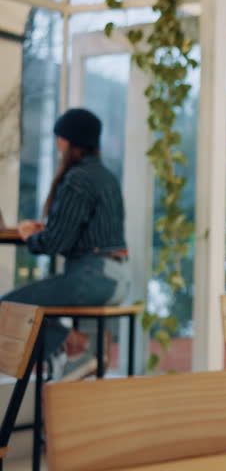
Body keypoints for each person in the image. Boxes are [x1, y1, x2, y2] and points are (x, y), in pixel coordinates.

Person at [1, 108, 130, 375]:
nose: (58, 143)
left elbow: (54, 243)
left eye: (59, 137)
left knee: (8, 308)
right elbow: (85, 231)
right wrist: (48, 229)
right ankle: (72, 351)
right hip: (118, 278)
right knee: (24, 310)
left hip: (92, 278)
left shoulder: (77, 179)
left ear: (67, 141)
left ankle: (77, 346)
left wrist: (31, 236)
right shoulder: (106, 177)